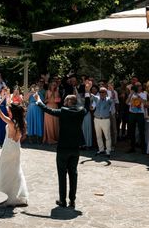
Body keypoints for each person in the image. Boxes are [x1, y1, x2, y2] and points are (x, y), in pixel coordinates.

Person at [35, 81, 90, 209]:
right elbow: (87, 105)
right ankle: (72, 201)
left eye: (65, 101)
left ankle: (62, 200)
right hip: (75, 147)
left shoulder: (64, 111)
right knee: (73, 173)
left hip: (63, 147)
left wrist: (38, 100)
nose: (64, 103)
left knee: (62, 174)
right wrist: (87, 91)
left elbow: (47, 109)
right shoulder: (81, 111)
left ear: (68, 102)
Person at [0, 98, 28, 206]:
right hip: (16, 148)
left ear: (13, 112)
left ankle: (3, 194)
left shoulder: (10, 122)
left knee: (3, 170)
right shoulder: (22, 122)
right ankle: (14, 193)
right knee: (15, 171)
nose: (8, 111)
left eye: (9, 110)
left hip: (8, 148)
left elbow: (0, 113)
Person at [92, 86, 114, 157]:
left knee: (107, 136)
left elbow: (112, 99)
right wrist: (87, 89)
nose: (101, 93)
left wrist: (112, 90)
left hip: (105, 120)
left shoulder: (108, 99)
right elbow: (89, 94)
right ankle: (101, 149)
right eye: (100, 92)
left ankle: (108, 151)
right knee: (98, 136)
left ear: (106, 93)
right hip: (97, 119)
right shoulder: (97, 98)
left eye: (103, 92)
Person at [126, 83, 147, 153]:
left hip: (140, 114)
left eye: (139, 86)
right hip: (132, 113)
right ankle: (132, 147)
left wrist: (137, 95)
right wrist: (131, 94)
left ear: (141, 87)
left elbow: (144, 102)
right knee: (131, 131)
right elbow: (126, 102)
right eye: (137, 86)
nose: (138, 87)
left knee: (141, 131)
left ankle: (143, 148)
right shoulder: (131, 94)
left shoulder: (144, 94)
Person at [42, 80, 61, 144]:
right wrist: (51, 94)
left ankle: (55, 138)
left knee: (55, 123)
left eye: (55, 85)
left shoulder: (57, 92)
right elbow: (45, 101)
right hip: (48, 107)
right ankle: (49, 138)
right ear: (50, 85)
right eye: (53, 84)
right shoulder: (47, 91)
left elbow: (58, 101)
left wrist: (56, 94)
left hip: (55, 107)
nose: (54, 86)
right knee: (49, 123)